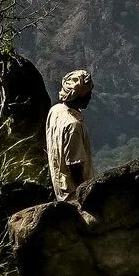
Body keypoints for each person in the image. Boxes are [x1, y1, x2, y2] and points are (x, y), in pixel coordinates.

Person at [46, 69, 95, 201]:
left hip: (60, 191)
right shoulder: (73, 125)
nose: (90, 96)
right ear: (79, 95)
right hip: (74, 195)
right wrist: (85, 198)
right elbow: (74, 166)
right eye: (88, 93)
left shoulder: (55, 111)